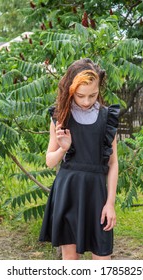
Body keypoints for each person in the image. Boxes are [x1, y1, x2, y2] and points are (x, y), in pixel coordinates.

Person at [39, 58, 120, 260]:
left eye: (93, 95)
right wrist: (63, 149)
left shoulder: (107, 118)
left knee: (102, 258)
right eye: (80, 95)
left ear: (99, 89)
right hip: (68, 194)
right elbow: (49, 161)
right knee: (71, 261)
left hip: (97, 195)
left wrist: (110, 203)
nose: (86, 101)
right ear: (70, 89)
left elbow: (113, 163)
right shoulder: (61, 116)